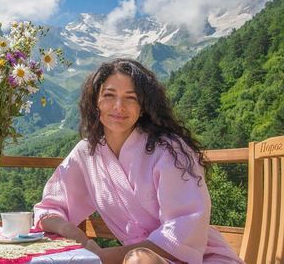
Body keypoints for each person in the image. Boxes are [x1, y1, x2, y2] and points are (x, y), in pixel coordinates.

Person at [33, 59, 244, 264]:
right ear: (95, 102)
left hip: (199, 258)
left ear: (143, 106)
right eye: (109, 95)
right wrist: (77, 236)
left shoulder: (170, 150)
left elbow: (182, 231)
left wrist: (103, 257)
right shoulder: (87, 152)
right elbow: (50, 209)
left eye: (131, 98)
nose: (119, 106)